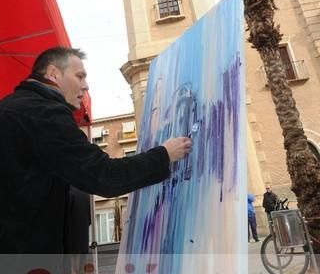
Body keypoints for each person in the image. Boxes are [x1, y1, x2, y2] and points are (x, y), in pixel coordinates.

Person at [0, 47, 192, 254]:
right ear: (54, 73)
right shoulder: (44, 114)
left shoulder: (10, 107)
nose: (85, 86)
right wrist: (164, 155)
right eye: (79, 76)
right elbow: (104, 176)